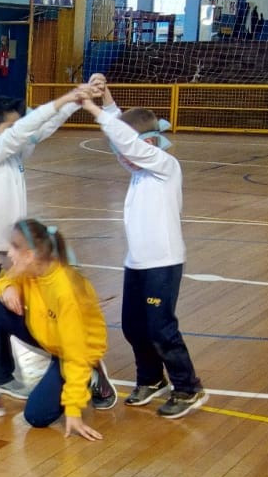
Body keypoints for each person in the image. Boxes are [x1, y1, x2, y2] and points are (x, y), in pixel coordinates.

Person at [0, 85, 97, 400]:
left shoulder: (14, 153)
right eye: (11, 127)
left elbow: (40, 129)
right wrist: (65, 98)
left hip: (8, 253)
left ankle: (1, 375)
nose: (19, 131)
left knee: (0, 310)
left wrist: (77, 102)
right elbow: (27, 128)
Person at [80, 79, 208, 419]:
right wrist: (105, 100)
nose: (123, 157)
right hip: (137, 262)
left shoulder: (164, 166)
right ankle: (151, 378)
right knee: (133, 326)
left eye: (129, 150)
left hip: (162, 263)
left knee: (160, 328)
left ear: (149, 143)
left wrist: (91, 109)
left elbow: (128, 144)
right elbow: (121, 139)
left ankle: (188, 387)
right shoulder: (140, 169)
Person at [0, 218, 116, 442]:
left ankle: (92, 372)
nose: (8, 254)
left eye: (14, 247)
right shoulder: (29, 269)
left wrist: (73, 410)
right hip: (49, 335)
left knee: (36, 416)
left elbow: (75, 353)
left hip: (77, 351)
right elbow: (0, 282)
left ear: (30, 254)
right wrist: (8, 287)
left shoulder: (65, 291)